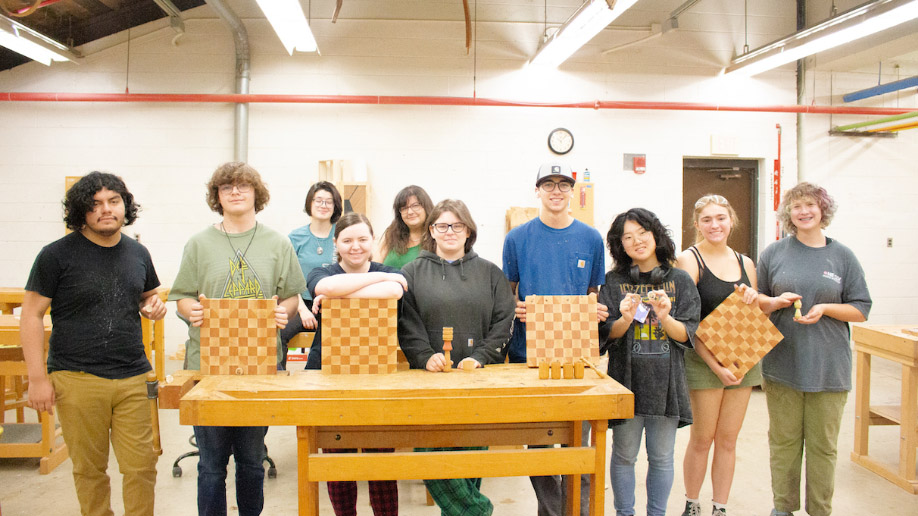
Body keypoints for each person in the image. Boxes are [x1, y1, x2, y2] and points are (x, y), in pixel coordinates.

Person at [21, 171, 166, 516]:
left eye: (113, 201)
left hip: (133, 377)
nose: (106, 209)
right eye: (95, 203)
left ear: (125, 206)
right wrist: (38, 379)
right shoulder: (56, 255)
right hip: (77, 378)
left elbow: (148, 297)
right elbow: (31, 316)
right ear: (80, 211)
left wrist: (154, 306)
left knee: (142, 467)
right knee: (89, 470)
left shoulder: (138, 253)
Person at [168, 162, 306, 516]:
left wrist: (284, 312)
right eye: (226, 186)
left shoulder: (278, 243)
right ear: (217, 196)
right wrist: (191, 310)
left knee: (251, 461)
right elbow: (182, 296)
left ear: (257, 193)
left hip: (259, 367)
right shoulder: (198, 244)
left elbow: (292, 296)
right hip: (208, 368)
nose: (235, 191)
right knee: (211, 466)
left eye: (243, 185)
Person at [756, 182, 871, 516]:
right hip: (782, 364)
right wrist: (774, 301)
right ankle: (783, 508)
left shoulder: (842, 256)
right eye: (796, 206)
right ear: (788, 214)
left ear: (823, 210)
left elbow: (861, 309)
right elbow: (757, 302)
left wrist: (825, 308)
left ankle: (820, 510)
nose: (804, 211)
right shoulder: (774, 253)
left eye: (810, 205)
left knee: (823, 447)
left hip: (828, 368)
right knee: (783, 443)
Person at [502, 162, 606, 516]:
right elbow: (507, 294)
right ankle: (551, 511)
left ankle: (578, 509)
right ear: (537, 191)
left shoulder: (591, 238)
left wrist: (595, 310)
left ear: (573, 191)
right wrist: (514, 307)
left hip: (577, 355)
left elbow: (593, 294)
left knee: (580, 442)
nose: (556, 191)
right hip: (530, 354)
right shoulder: (517, 239)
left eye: (563, 185)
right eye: (549, 184)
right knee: (540, 444)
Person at [399, 199, 515, 516]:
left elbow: (504, 321)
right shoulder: (410, 273)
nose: (449, 231)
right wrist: (425, 356)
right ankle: (479, 511)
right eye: (442, 225)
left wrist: (481, 357)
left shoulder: (490, 274)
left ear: (468, 231)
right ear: (431, 231)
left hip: (476, 381)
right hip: (429, 384)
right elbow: (406, 323)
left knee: (469, 461)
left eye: (457, 225)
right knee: (432, 458)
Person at [597, 207, 700, 516]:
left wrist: (665, 317)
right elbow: (607, 335)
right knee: (624, 455)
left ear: (656, 235)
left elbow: (687, 336)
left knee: (662, 457)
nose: (637, 241)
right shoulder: (613, 281)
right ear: (620, 245)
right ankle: (624, 513)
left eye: (642, 233)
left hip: (666, 384)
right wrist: (626, 319)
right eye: (627, 237)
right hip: (625, 382)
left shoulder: (680, 280)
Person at [306, 211, 406, 516]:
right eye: (347, 240)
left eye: (363, 239)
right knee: (338, 459)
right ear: (336, 242)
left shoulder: (388, 272)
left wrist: (338, 295)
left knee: (381, 461)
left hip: (377, 376)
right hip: (330, 375)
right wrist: (378, 280)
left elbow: (395, 290)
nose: (355, 246)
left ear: (372, 240)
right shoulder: (322, 271)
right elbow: (324, 287)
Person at [675, 195, 760, 516]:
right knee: (702, 437)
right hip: (704, 361)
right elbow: (688, 322)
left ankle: (720, 507)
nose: (715, 225)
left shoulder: (745, 263)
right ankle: (692, 503)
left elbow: (753, 312)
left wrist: (756, 297)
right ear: (697, 224)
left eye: (721, 218)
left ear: (731, 221)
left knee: (728, 439)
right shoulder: (689, 260)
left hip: (741, 359)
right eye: (707, 219)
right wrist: (716, 366)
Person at [279, 181, 343, 369]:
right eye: (318, 200)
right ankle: (278, 380)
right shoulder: (296, 237)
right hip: (302, 302)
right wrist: (302, 310)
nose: (323, 205)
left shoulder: (342, 234)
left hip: (335, 303)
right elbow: (288, 278)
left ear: (335, 206)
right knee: (278, 333)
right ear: (310, 203)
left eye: (329, 201)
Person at [378, 185, 434, 269]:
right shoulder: (391, 234)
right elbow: (375, 265)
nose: (410, 212)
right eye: (404, 208)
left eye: (415, 205)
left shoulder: (436, 237)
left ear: (426, 207)